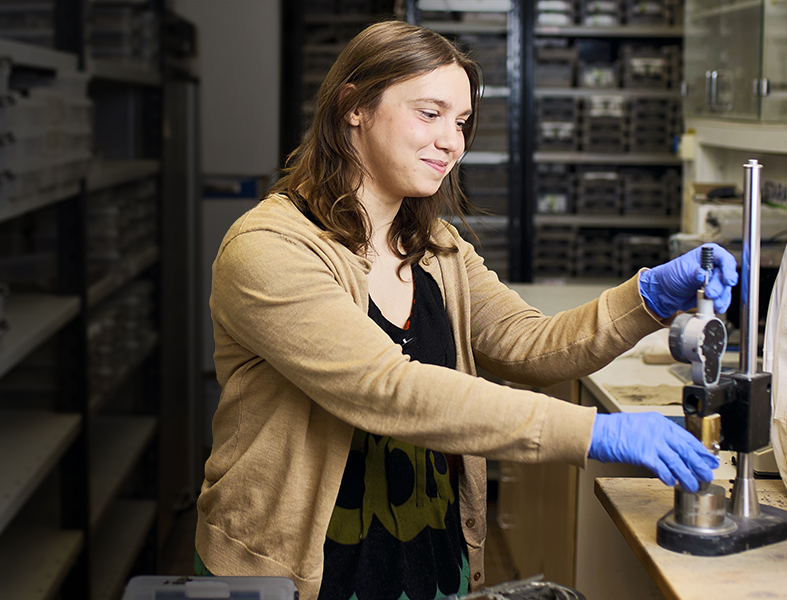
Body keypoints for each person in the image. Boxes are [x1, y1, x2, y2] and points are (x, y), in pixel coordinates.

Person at [196, 19, 738, 600]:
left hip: (431, 557)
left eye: (460, 123)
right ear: (353, 105)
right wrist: (593, 432)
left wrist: (647, 298)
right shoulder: (268, 248)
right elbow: (385, 387)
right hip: (300, 570)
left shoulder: (439, 248)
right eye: (429, 114)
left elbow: (529, 344)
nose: (453, 142)